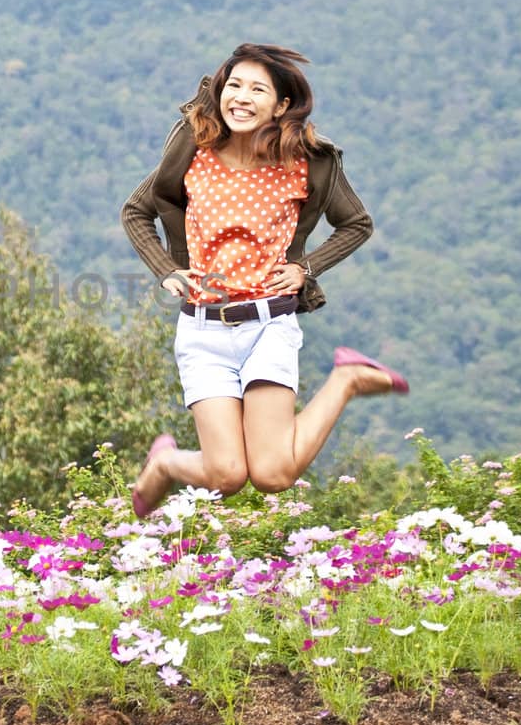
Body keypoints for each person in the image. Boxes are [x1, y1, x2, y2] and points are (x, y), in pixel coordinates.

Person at [120, 43, 407, 518]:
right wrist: (167, 269)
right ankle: (167, 463)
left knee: (273, 476)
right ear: (219, 92)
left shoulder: (305, 161)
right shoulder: (194, 150)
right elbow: (137, 211)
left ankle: (348, 380)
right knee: (227, 476)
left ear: (282, 105)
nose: (241, 97)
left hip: (268, 326)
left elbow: (356, 223)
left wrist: (305, 268)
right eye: (233, 85)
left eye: (257, 89)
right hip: (202, 330)